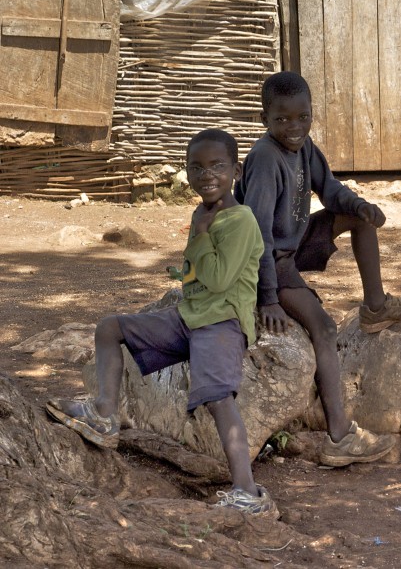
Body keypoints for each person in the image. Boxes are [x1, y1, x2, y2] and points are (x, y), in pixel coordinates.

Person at [47, 129, 277, 517]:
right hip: (189, 317)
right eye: (196, 167)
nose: (206, 175)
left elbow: (219, 279)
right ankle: (104, 413)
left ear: (236, 171)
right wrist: (186, 269)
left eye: (217, 166)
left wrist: (200, 236)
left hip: (221, 323)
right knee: (109, 328)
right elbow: (197, 273)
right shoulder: (203, 212)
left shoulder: (240, 220)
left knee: (218, 398)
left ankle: (247, 492)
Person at [235, 71, 401, 467]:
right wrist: (268, 297)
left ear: (312, 114)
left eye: (303, 117)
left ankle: (375, 306)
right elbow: (257, 236)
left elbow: (330, 189)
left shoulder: (304, 147)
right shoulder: (264, 159)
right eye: (282, 119)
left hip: (293, 242)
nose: (294, 127)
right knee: (323, 328)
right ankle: (339, 435)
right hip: (267, 259)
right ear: (264, 119)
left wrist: (359, 205)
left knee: (359, 219)